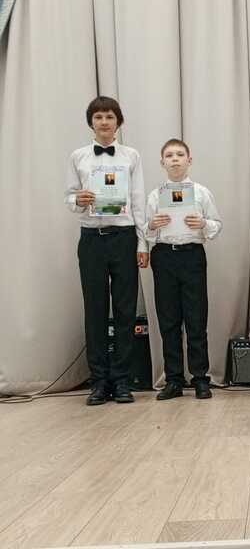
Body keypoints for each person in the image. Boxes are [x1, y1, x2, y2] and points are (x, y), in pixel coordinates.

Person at [65, 96, 148, 405]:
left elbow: (138, 200)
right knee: (95, 309)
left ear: (118, 122)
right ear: (91, 122)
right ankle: (99, 381)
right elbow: (69, 197)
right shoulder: (78, 156)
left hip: (124, 237)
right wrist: (78, 200)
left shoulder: (132, 156)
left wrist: (142, 242)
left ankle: (122, 380)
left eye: (109, 117)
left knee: (126, 310)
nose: (104, 122)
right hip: (91, 239)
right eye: (98, 117)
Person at [145, 139, 222, 400]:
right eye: (169, 155)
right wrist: (152, 225)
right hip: (164, 256)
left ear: (189, 160)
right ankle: (174, 380)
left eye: (180, 154)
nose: (175, 159)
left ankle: (200, 378)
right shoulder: (154, 196)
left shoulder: (201, 193)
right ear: (162, 162)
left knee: (196, 319)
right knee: (168, 321)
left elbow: (216, 224)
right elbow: (145, 231)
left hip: (192, 255)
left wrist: (203, 224)